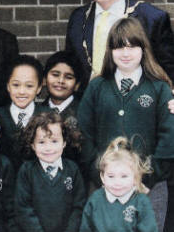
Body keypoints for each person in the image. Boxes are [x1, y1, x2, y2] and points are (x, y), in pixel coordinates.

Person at [77, 17, 174, 231]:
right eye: (119, 47)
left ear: (144, 49)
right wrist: (101, 175)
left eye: (132, 46)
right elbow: (82, 133)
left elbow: (169, 138)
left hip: (150, 187)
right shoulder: (97, 87)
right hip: (105, 185)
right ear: (110, 51)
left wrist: (146, 178)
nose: (126, 53)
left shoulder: (159, 88)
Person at [66, 0, 174, 88]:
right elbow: (69, 65)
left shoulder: (152, 18)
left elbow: (169, 70)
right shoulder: (78, 18)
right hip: (87, 103)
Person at [15, 112, 86, 232]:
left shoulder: (72, 170)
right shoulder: (27, 171)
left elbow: (78, 207)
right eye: (41, 142)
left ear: (64, 143)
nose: (48, 148)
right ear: (32, 145)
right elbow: (23, 208)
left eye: (54, 141)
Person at [80, 136, 158, 232]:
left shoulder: (141, 202)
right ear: (102, 177)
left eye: (124, 176)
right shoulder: (95, 199)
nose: (117, 183)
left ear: (135, 177)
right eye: (111, 176)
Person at [0, 55, 50, 170]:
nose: (22, 91)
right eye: (16, 85)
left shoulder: (47, 116)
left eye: (29, 86)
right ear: (8, 86)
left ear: (39, 88)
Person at [42, 50, 85, 162]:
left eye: (68, 77)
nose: (60, 81)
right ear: (45, 79)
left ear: (77, 85)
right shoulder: (37, 111)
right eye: (55, 75)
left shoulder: (85, 111)